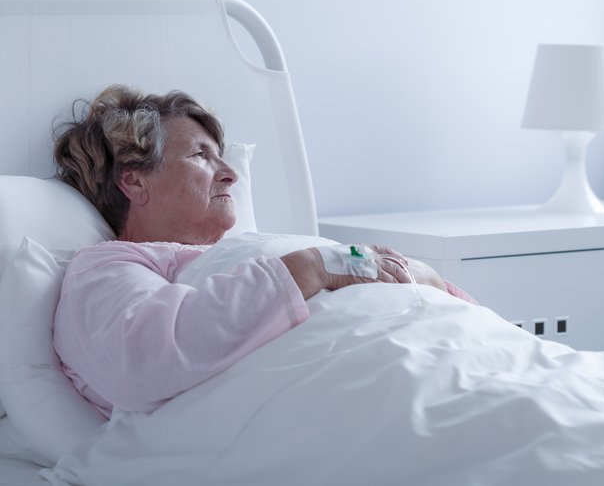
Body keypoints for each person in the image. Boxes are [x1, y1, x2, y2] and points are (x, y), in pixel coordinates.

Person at [51, 85, 472, 418]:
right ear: (135, 182)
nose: (231, 174)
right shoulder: (106, 267)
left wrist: (417, 274)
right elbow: (143, 361)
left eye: (222, 157)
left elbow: (447, 304)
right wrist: (315, 266)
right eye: (201, 155)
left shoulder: (260, 248)